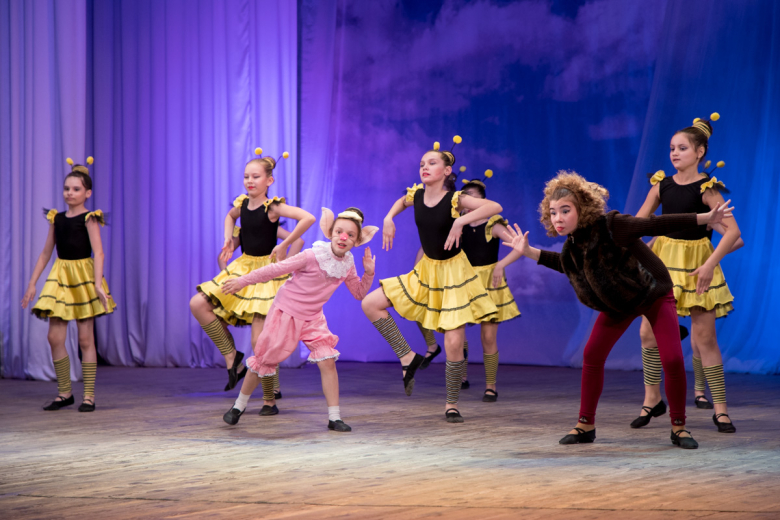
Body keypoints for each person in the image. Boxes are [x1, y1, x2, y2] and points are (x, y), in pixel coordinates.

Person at [503, 170, 733, 449]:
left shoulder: (612, 225)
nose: (558, 218)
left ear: (582, 209)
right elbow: (567, 265)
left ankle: (679, 427)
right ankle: (585, 425)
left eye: (565, 211)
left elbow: (655, 224)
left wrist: (704, 218)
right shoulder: (573, 244)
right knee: (592, 354)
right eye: (553, 213)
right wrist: (528, 252)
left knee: (672, 360)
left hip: (652, 294)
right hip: (619, 302)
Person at [221, 207, 377, 432]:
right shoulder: (312, 255)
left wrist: (369, 273)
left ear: (357, 240)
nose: (344, 238)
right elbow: (275, 270)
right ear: (330, 232)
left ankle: (334, 418)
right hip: (286, 312)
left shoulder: (348, 263)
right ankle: (238, 406)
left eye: (350, 235)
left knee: (327, 361)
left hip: (313, 318)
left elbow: (359, 293)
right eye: (339, 232)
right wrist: (241, 281)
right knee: (264, 360)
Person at [22, 157, 116, 412]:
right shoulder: (57, 218)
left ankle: (89, 396)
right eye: (67, 188)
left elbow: (99, 252)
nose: (70, 193)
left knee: (85, 339)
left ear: (88, 193)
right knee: (54, 337)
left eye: (76, 189)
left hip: (83, 277)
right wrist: (32, 283)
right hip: (61, 277)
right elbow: (46, 253)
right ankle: (64, 393)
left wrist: (98, 283)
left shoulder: (90, 218)